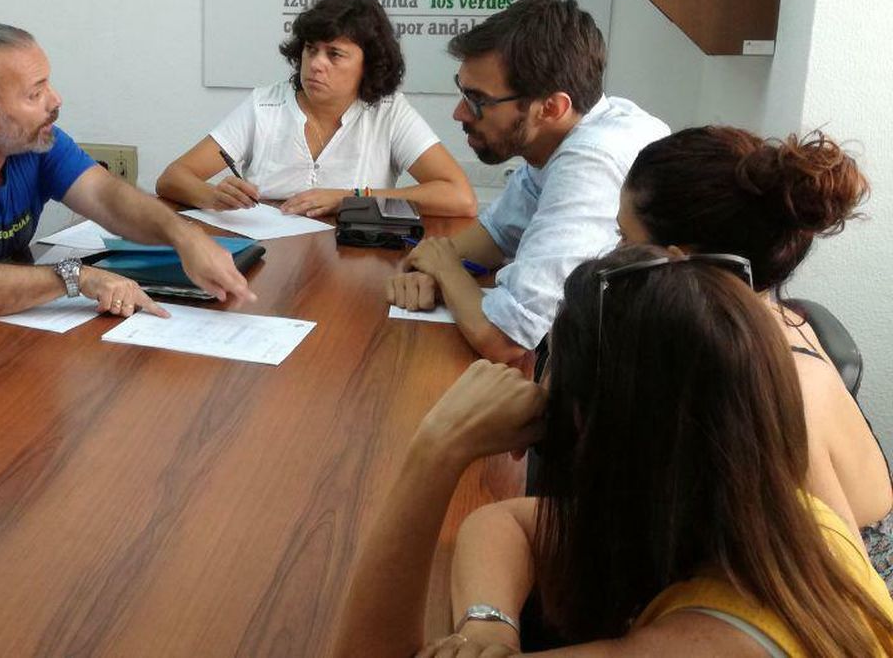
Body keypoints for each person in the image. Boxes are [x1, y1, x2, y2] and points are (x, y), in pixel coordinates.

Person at [342, 246, 893, 657]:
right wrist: (489, 625)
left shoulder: (696, 650)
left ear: (583, 421)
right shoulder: (797, 523)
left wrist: (437, 447)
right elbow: (506, 521)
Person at [619, 126, 892, 583]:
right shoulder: (766, 318)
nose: (615, 256)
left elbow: (851, 592)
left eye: (626, 240)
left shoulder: (770, 383)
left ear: (675, 262)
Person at [0, 23, 255, 319]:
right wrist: (76, 277)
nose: (55, 100)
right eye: (35, 93)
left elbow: (106, 197)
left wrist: (183, 236)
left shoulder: (30, 140)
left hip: (4, 331)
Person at [385, 0, 669, 363]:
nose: (459, 113)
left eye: (477, 100)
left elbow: (506, 337)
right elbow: (498, 232)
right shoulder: (575, 130)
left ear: (551, 108)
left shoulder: (591, 162)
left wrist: (443, 268)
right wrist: (436, 267)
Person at [156, 0, 475, 218]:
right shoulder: (265, 105)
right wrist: (213, 196)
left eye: (334, 54)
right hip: (269, 257)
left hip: (355, 262)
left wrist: (351, 199)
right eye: (310, 50)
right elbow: (173, 177)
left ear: (369, 64)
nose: (316, 64)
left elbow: (459, 197)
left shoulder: (389, 111)